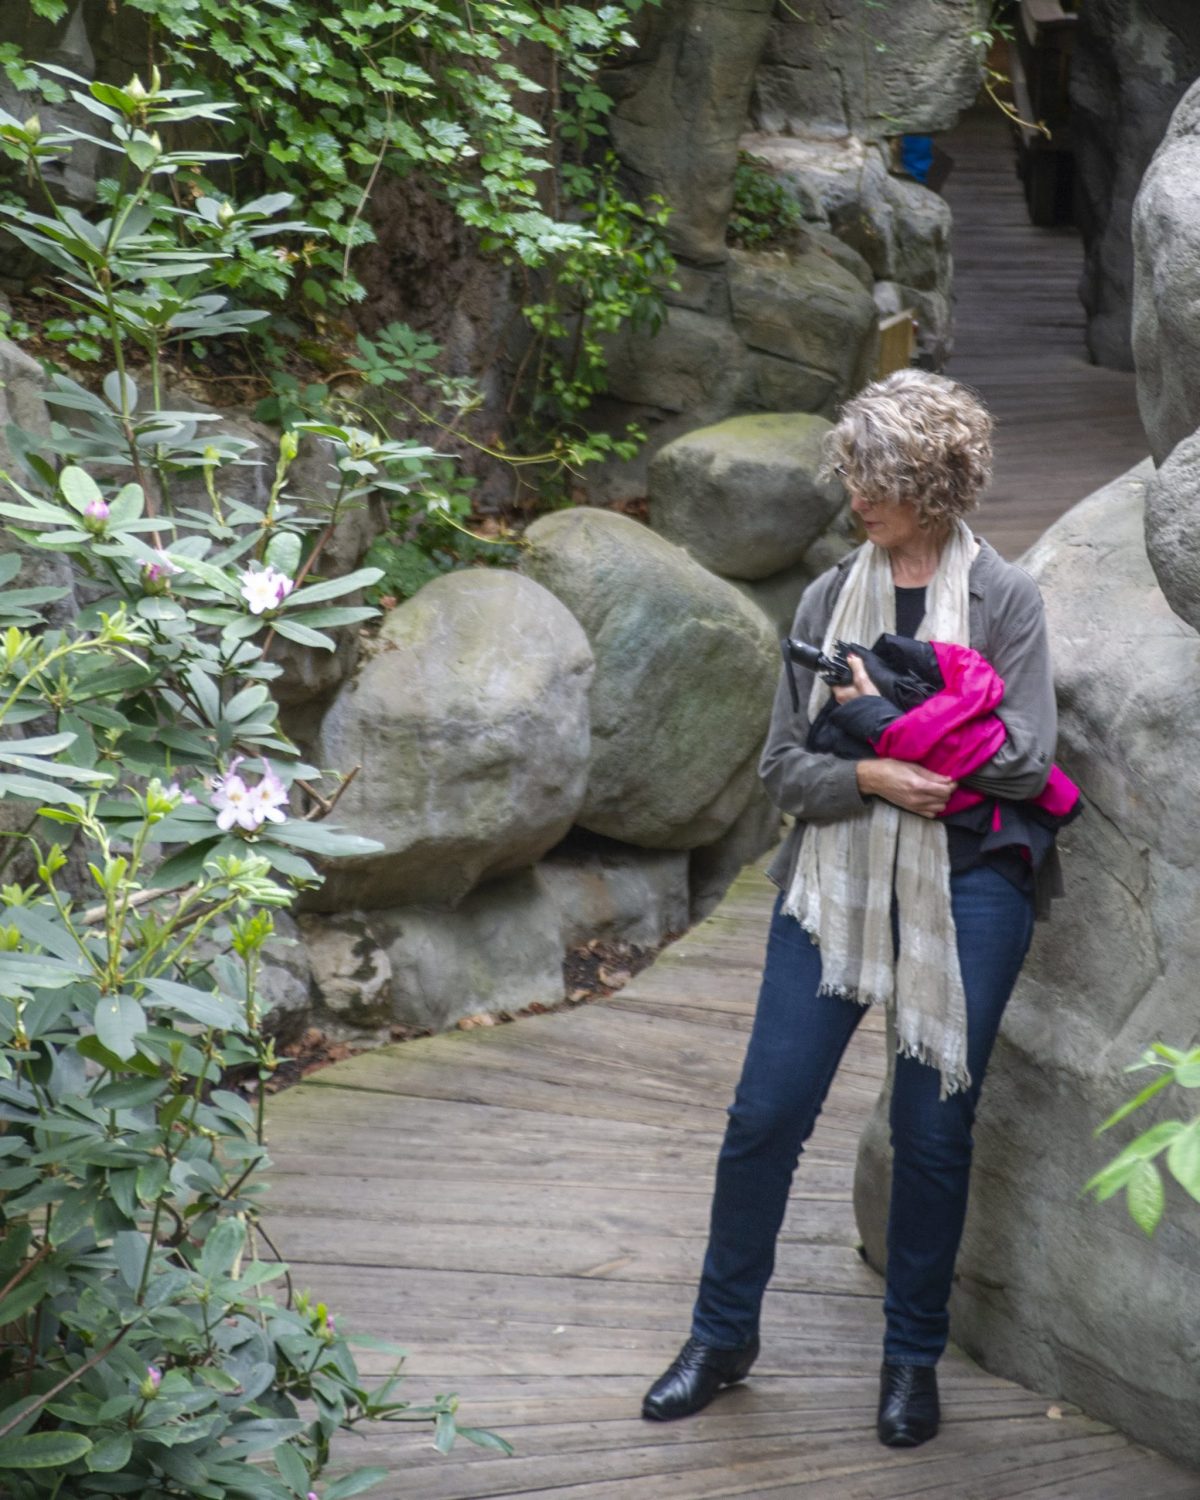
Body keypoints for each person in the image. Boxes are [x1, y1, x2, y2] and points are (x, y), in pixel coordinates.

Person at [641, 369, 1065, 1448]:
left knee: (932, 1133)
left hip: (971, 883)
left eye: (873, 476)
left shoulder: (1007, 600)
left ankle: (910, 1361)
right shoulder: (831, 599)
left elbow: (1028, 761)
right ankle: (721, 1335)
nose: (853, 495)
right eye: (851, 471)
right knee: (764, 1115)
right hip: (834, 875)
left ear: (930, 481)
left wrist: (882, 727)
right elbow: (787, 768)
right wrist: (879, 773)